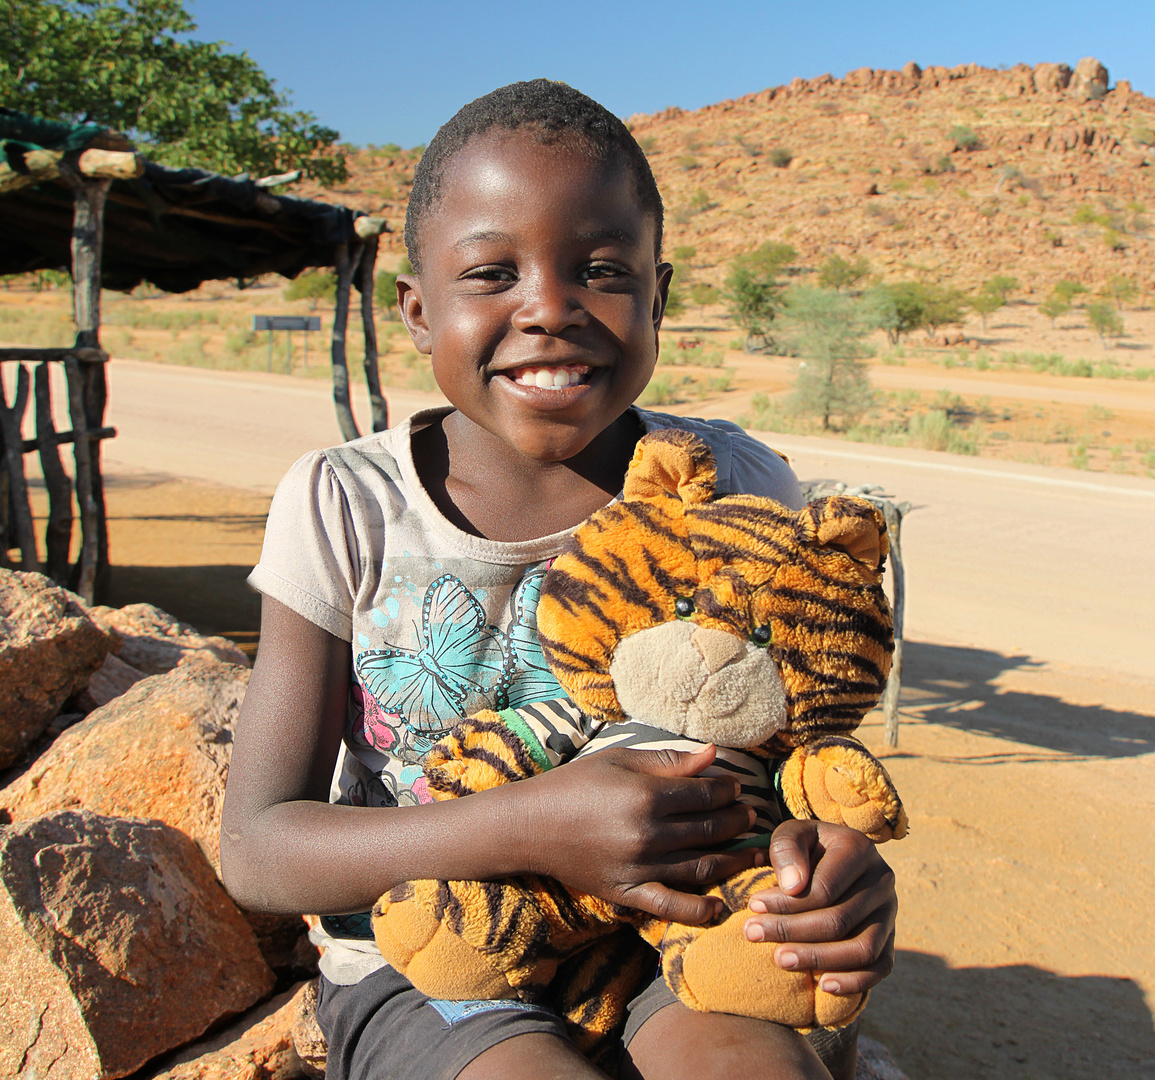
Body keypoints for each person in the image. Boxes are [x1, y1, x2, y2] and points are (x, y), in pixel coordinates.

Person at [219, 79, 896, 1080]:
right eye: (492, 273)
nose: (548, 309)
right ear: (416, 308)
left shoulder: (736, 488)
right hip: (432, 958)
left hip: (687, 933)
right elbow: (260, 849)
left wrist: (836, 871)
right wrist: (540, 823)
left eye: (601, 271)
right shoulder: (346, 503)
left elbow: (797, 757)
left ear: (658, 297)